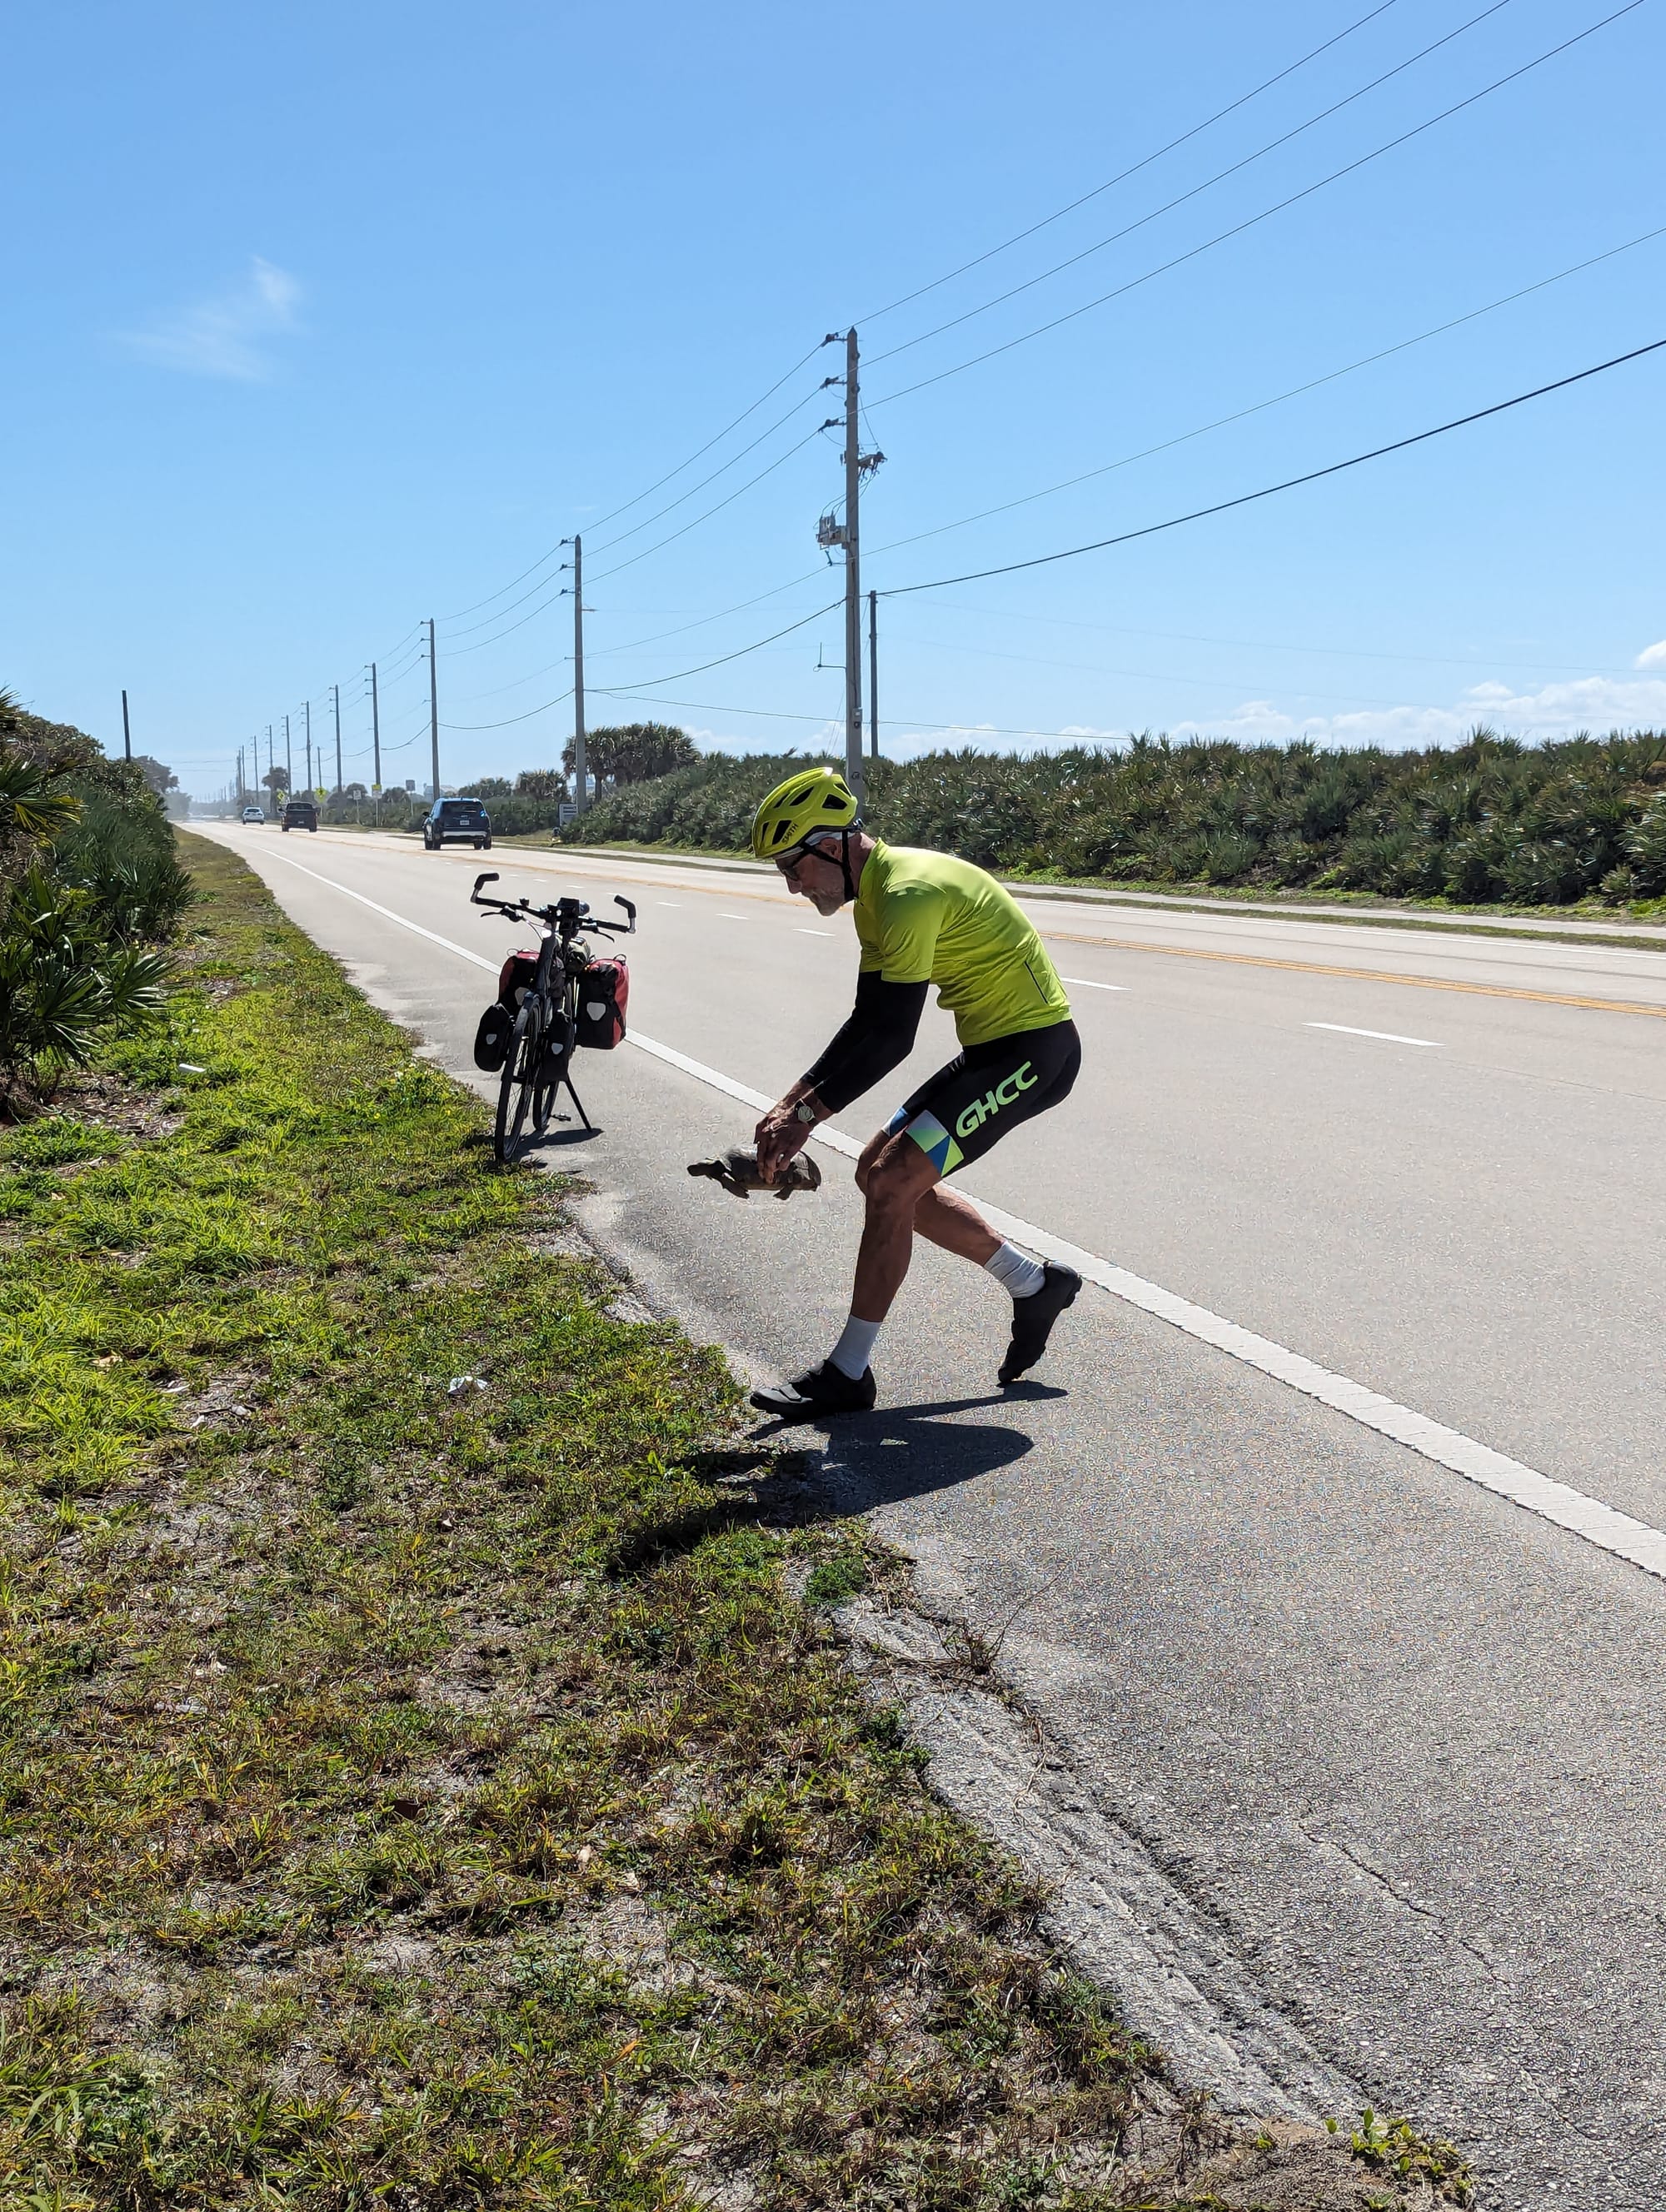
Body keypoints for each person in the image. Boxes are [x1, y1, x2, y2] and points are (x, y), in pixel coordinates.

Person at [748, 766, 1083, 1417]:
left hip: (1035, 1052)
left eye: (795, 865)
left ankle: (847, 1375)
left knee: (895, 1181)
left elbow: (894, 1038)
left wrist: (808, 1116)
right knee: (877, 1175)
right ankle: (1033, 1285)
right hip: (992, 1050)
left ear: (835, 844)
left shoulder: (905, 894)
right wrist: (790, 1102)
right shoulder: (874, 897)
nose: (792, 884)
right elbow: (867, 1020)